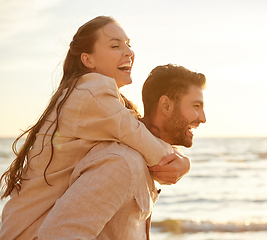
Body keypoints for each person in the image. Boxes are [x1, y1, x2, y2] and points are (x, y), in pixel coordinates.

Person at [0, 16, 190, 239]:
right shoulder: (91, 92)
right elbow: (149, 147)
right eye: (115, 45)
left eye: (128, 44)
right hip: (32, 233)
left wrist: (181, 159)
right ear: (88, 60)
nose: (128, 52)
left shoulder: (92, 96)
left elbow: (141, 135)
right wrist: (182, 163)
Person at [37, 64, 206, 239]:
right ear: (166, 105)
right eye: (196, 106)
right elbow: (56, 235)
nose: (203, 118)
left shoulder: (147, 157)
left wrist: (185, 162)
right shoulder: (121, 162)